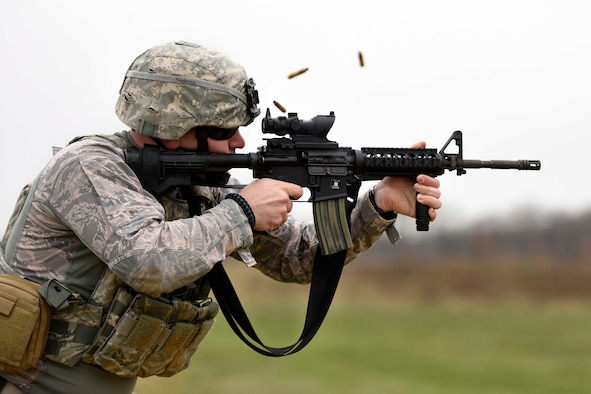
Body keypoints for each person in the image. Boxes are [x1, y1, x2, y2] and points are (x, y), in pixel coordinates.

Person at [0, 40, 442, 394]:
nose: (239, 142)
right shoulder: (89, 167)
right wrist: (245, 211)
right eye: (225, 131)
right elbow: (146, 260)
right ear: (177, 129)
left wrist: (378, 204)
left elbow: (300, 257)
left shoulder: (200, 185)